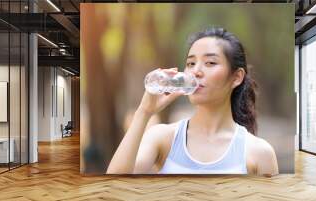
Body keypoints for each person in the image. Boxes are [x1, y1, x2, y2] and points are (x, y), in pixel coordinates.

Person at [106, 27, 279, 176]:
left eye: (210, 62)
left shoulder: (259, 152)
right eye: (190, 63)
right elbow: (115, 185)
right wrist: (144, 112)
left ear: (236, 77)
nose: (196, 71)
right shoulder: (163, 137)